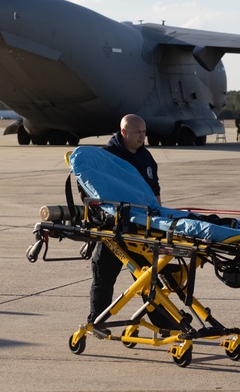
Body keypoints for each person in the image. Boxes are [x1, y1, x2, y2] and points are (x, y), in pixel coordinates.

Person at [87, 114, 160, 325]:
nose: (142, 136)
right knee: (103, 276)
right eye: (138, 132)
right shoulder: (107, 158)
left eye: (144, 132)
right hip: (114, 227)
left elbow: (154, 190)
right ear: (124, 132)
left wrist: (158, 217)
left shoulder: (146, 158)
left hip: (141, 229)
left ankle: (163, 322)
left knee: (148, 279)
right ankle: (97, 320)